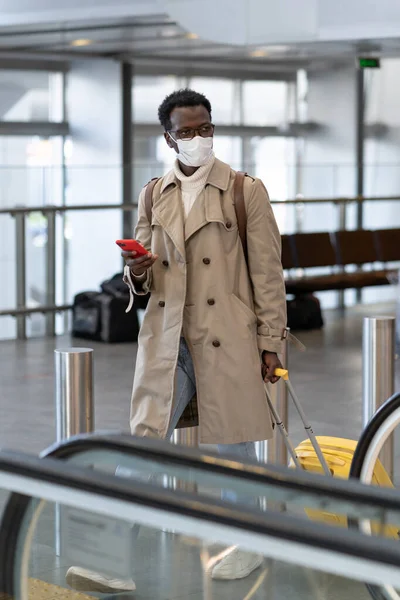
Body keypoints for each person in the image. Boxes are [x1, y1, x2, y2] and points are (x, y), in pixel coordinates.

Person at [66, 89, 287, 594]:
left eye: (205, 128)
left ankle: (248, 544)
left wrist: (271, 341)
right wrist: (137, 270)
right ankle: (115, 558)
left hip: (227, 335)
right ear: (168, 137)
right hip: (169, 339)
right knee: (144, 444)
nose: (198, 138)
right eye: (186, 131)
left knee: (234, 446)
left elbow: (269, 274)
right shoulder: (153, 193)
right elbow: (141, 275)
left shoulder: (243, 190)